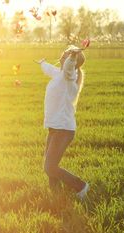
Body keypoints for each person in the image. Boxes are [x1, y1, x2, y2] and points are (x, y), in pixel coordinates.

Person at [35, 46, 89, 199]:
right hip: (55, 128)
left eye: (66, 55)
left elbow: (69, 66)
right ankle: (56, 195)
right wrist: (42, 63)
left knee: (50, 167)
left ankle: (81, 186)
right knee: (49, 166)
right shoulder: (59, 74)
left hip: (63, 129)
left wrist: (72, 57)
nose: (63, 55)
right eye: (65, 53)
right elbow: (50, 69)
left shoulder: (69, 75)